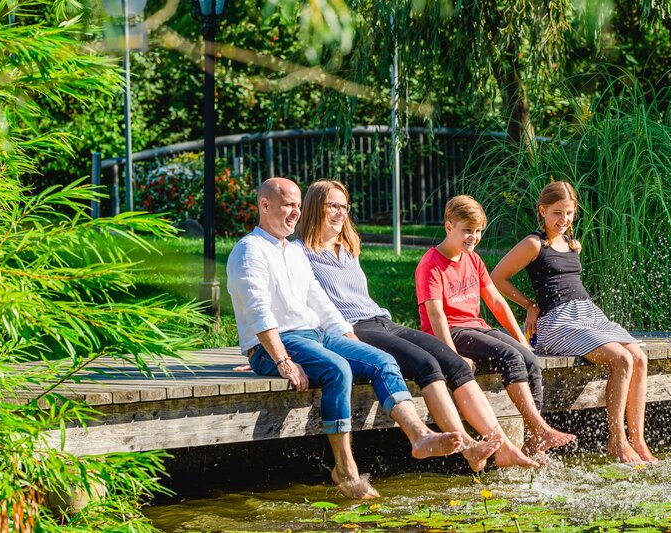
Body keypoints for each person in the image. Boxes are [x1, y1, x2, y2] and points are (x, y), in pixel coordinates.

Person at [226, 177, 464, 500]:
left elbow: (320, 303)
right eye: (288, 205)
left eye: (298, 205)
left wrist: (351, 339)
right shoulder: (249, 250)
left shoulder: (293, 252)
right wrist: (281, 359)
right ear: (265, 205)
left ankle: (419, 435)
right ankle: (345, 469)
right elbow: (257, 310)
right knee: (338, 369)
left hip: (314, 336)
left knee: (381, 360)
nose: (296, 212)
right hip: (277, 342)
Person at [298, 180, 540, 471]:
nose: (340, 212)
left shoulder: (348, 249)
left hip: (381, 319)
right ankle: (468, 447)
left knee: (454, 363)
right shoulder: (300, 253)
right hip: (352, 328)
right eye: (332, 206)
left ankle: (503, 446)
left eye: (344, 207)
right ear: (315, 207)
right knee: (425, 363)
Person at [490, 181, 658, 463]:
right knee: (622, 360)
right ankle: (617, 441)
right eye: (557, 213)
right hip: (558, 322)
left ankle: (638, 441)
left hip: (589, 314)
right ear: (542, 211)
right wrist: (530, 305)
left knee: (639, 358)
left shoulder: (572, 244)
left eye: (569, 213)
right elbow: (497, 278)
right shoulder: (534, 244)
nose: (563, 219)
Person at [415, 195, 576, 457]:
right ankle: (539, 428)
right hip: (450, 332)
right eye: (467, 230)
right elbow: (436, 315)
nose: (473, 237)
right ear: (449, 226)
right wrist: (452, 356)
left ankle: (534, 439)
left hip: (476, 327)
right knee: (509, 356)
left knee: (529, 359)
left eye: (478, 231)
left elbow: (497, 303)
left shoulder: (473, 259)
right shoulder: (431, 264)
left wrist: (522, 341)